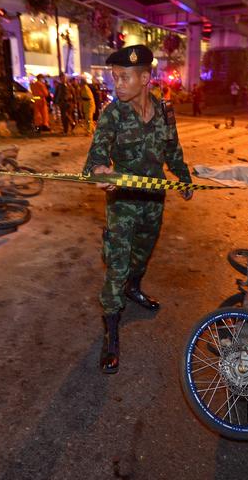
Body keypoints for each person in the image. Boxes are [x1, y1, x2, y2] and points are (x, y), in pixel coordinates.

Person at [82, 44, 194, 374]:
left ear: (145, 78)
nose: (118, 84)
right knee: (117, 262)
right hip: (122, 201)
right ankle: (111, 331)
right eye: (115, 78)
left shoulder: (164, 112)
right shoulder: (112, 114)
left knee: (142, 253)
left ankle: (135, 287)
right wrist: (100, 172)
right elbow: (94, 161)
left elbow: (173, 150)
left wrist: (184, 177)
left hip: (153, 200)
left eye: (124, 77)